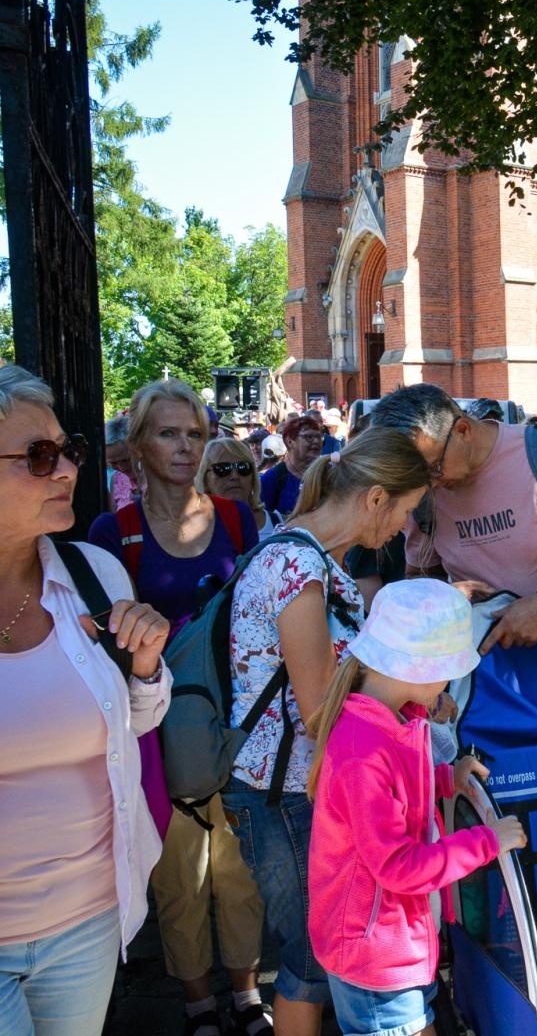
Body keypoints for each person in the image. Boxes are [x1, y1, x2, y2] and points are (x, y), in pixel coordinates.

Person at [224, 427, 431, 1036]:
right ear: (375, 499)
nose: (403, 529)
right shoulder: (297, 564)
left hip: (305, 785)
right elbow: (318, 711)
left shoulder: (315, 559)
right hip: (284, 792)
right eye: (405, 512)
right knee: (314, 953)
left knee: (320, 948)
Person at [87, 379, 269, 1036]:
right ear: (137, 445)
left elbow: (255, 616)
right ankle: (197, 1004)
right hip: (156, 728)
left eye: (194, 433)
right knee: (178, 870)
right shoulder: (116, 532)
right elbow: (104, 640)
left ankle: (247, 995)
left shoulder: (234, 517)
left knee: (241, 863)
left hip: (233, 719)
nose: (185, 446)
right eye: (168, 433)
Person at [0, 366, 173, 1036]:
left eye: (65, 449)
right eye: (39, 457)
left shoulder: (92, 573)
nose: (68, 468)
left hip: (87, 920)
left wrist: (148, 666)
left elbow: (132, 723)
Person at [307, 579, 527, 1036]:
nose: (449, 684)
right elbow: (399, 865)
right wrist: (488, 841)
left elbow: (400, 797)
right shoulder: (365, 749)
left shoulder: (385, 723)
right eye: (449, 671)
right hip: (375, 955)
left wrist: (449, 778)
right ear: (420, 669)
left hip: (392, 944)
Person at [370, 385, 537, 732]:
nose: (429, 483)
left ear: (463, 430)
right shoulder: (426, 492)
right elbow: (420, 579)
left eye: (433, 468)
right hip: (489, 686)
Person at [199, 437, 282, 536]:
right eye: (222, 469)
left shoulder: (277, 522)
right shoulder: (194, 529)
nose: (235, 476)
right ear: (205, 479)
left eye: (243, 467)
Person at [259, 414, 324, 515]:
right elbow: (265, 521)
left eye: (319, 437)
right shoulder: (272, 479)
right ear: (290, 442)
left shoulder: (328, 475)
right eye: (309, 437)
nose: (316, 441)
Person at [105, 414, 138, 511]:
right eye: (113, 463)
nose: (122, 467)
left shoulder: (156, 478)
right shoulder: (117, 478)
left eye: (126, 460)